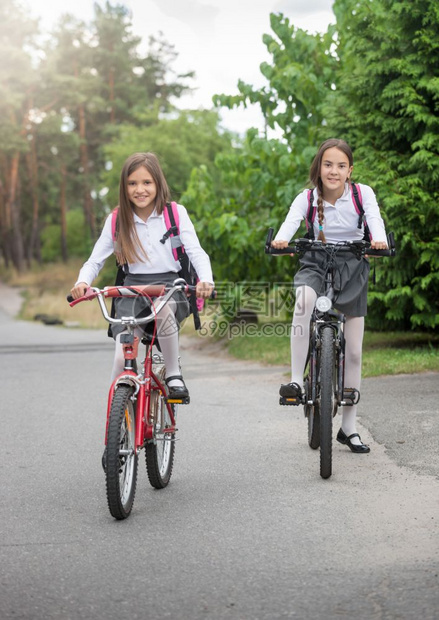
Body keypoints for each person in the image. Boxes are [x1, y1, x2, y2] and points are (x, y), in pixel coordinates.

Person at [271, 138, 388, 453]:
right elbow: (291, 222)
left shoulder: (362, 195)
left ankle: (348, 428)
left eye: (340, 165)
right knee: (304, 301)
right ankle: (297, 379)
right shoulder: (308, 197)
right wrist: (282, 240)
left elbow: (375, 220)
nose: (333, 171)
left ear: (350, 170)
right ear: (318, 167)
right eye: (327, 164)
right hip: (316, 260)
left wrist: (377, 239)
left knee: (354, 351)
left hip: (353, 262)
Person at [70, 152, 214, 401]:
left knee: (164, 308)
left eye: (147, 182)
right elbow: (95, 260)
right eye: (132, 183)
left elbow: (196, 252)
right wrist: (82, 282)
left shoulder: (175, 213)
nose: (140, 190)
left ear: (158, 184)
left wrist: (205, 279)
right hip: (131, 290)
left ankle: (173, 374)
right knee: (120, 359)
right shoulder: (117, 220)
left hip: (170, 286)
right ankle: (120, 420)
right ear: (124, 187)